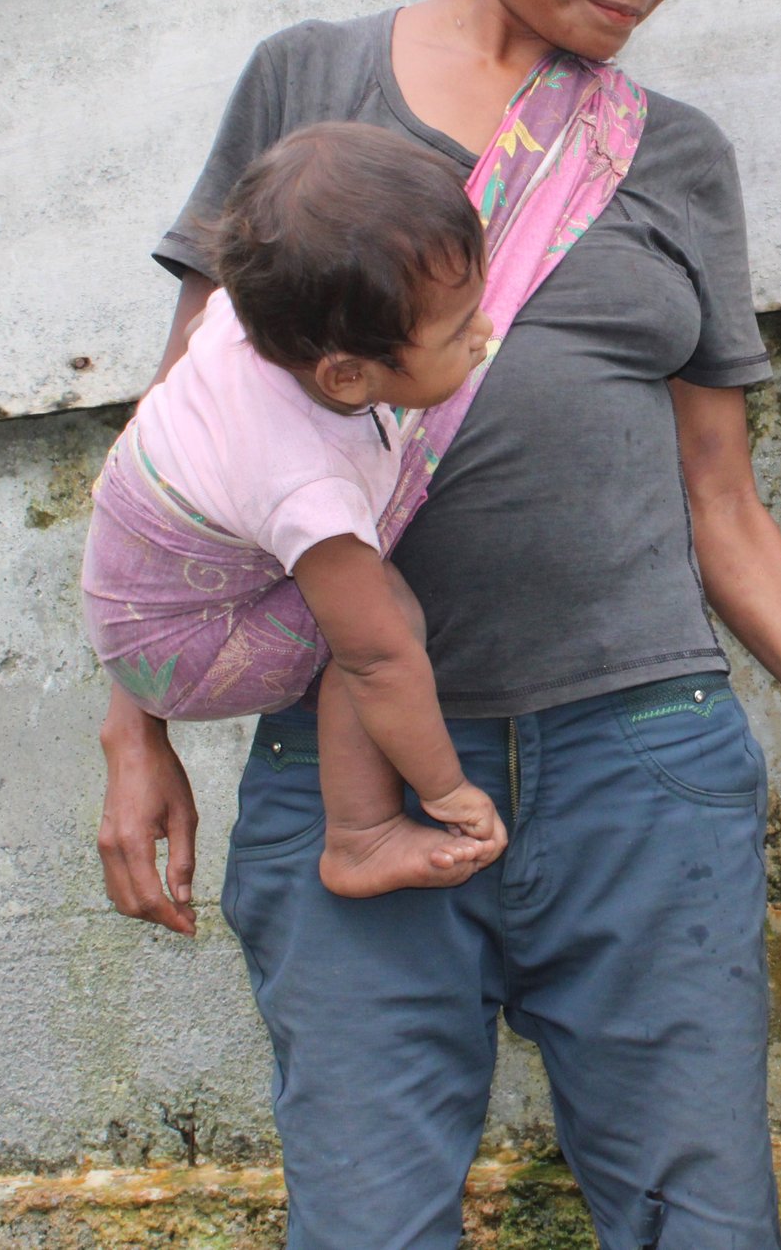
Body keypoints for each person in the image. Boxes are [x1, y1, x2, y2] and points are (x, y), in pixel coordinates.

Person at [95, 0, 781, 1250]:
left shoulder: (677, 158)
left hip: (640, 766)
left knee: (702, 1222)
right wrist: (136, 727)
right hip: (354, 766)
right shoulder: (307, 87)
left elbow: (723, 507)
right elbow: (178, 453)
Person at [80, 121, 508, 898]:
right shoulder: (309, 487)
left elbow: (198, 351)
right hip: (182, 647)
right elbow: (378, 663)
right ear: (346, 377)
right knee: (383, 621)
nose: (484, 331)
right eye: (458, 331)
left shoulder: (245, 315)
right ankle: (362, 836)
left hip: (135, 589)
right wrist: (446, 788)